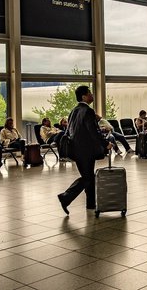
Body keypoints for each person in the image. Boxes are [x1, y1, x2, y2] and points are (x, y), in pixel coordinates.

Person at [57, 85, 112, 215]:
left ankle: (91, 203)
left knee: (89, 177)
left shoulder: (73, 111)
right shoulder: (88, 111)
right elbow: (93, 132)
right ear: (84, 96)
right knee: (87, 178)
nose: (92, 95)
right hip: (86, 150)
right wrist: (105, 144)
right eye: (89, 93)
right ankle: (65, 197)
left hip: (76, 150)